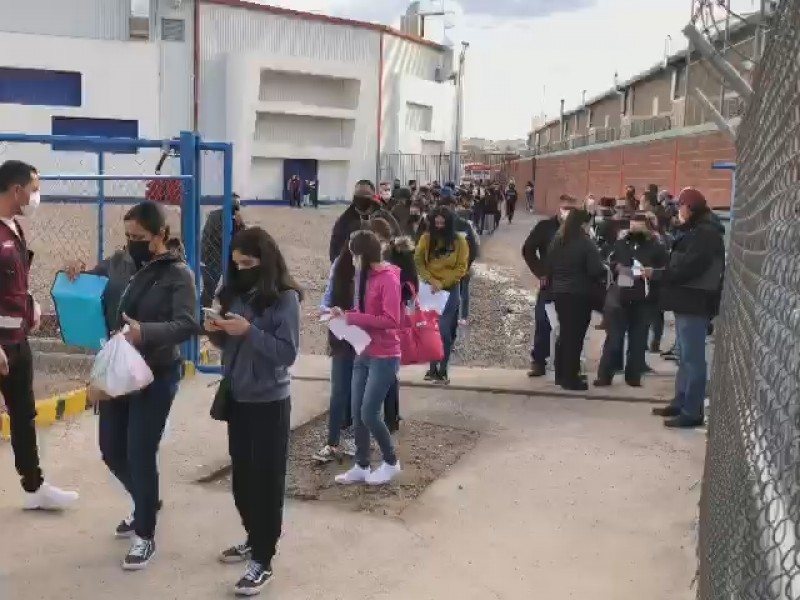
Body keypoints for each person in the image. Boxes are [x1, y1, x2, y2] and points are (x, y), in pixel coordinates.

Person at [74, 201, 198, 569]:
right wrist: (77, 272)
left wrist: (146, 333)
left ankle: (145, 533)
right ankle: (146, 499)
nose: (132, 244)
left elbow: (189, 323)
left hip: (155, 372)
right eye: (128, 236)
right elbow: (94, 283)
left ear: (160, 234)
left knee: (141, 452)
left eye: (139, 237)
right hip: (117, 371)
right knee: (112, 449)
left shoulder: (178, 274)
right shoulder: (119, 262)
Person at [205, 227, 301, 595]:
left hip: (269, 401)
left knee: (266, 482)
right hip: (238, 396)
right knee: (242, 481)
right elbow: (225, 341)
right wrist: (216, 328)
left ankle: (264, 557)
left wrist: (249, 331)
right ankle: (252, 537)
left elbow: (287, 353)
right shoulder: (232, 292)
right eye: (236, 263)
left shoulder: (284, 299)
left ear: (265, 261)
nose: (241, 269)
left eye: (248, 263)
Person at [0, 160, 79, 511]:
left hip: (18, 342)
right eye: (33, 189)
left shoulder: (13, 228)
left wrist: (29, 307)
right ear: (15, 191)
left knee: (23, 414)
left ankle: (34, 487)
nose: (36, 196)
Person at [332, 230, 403, 486]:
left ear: (363, 255)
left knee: (369, 413)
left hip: (385, 355)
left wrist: (354, 318)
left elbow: (392, 319)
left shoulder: (388, 279)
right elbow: (363, 311)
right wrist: (344, 313)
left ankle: (391, 461)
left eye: (353, 255)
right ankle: (361, 465)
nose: (351, 260)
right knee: (357, 410)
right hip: (363, 350)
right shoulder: (364, 276)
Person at [653, 188, 724, 429]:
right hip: (687, 301)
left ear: (690, 207)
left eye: (680, 206)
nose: (677, 211)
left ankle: (692, 411)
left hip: (695, 302)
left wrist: (660, 275)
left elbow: (690, 268)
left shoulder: (706, 234)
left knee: (693, 359)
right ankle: (680, 400)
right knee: (685, 357)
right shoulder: (697, 231)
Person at [594, 213, 668, 388]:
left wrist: (652, 273)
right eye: (633, 226)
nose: (635, 229)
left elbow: (665, 269)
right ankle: (606, 374)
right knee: (614, 338)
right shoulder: (620, 244)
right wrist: (618, 267)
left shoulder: (656, 246)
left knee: (638, 339)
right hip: (622, 294)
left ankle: (633, 375)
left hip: (644, 297)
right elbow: (608, 260)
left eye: (639, 226)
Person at [544, 209, 606, 391]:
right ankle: (570, 379)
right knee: (575, 338)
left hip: (560, 293)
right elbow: (595, 270)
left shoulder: (557, 241)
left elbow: (549, 265)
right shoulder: (586, 244)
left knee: (564, 334)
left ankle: (561, 375)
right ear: (582, 224)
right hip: (579, 295)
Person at [522, 195, 580, 377]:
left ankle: (566, 364)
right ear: (559, 208)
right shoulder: (545, 228)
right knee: (543, 321)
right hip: (550, 284)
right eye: (565, 208)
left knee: (570, 325)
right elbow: (528, 249)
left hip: (572, 285)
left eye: (571, 209)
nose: (567, 212)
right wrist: (540, 272)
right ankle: (539, 361)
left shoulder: (579, 230)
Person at [415, 206, 469, 384]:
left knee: (444, 331)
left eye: (442, 223)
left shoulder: (460, 241)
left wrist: (443, 283)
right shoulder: (426, 239)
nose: (438, 226)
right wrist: (430, 280)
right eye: (436, 222)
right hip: (429, 289)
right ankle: (432, 368)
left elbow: (462, 267)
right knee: (430, 329)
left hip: (450, 290)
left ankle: (443, 368)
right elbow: (419, 261)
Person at [328, 180, 399, 262]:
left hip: (384, 269)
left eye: (365, 199)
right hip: (355, 270)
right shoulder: (344, 221)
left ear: (373, 198)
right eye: (358, 198)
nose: (361, 203)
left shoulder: (386, 218)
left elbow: (399, 246)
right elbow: (335, 252)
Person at [201, 193, 245, 307]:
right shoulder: (218, 217)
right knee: (210, 287)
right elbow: (223, 238)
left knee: (219, 286)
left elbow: (242, 238)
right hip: (214, 256)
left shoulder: (230, 219)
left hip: (219, 256)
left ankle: (211, 308)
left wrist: (240, 225)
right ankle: (205, 309)